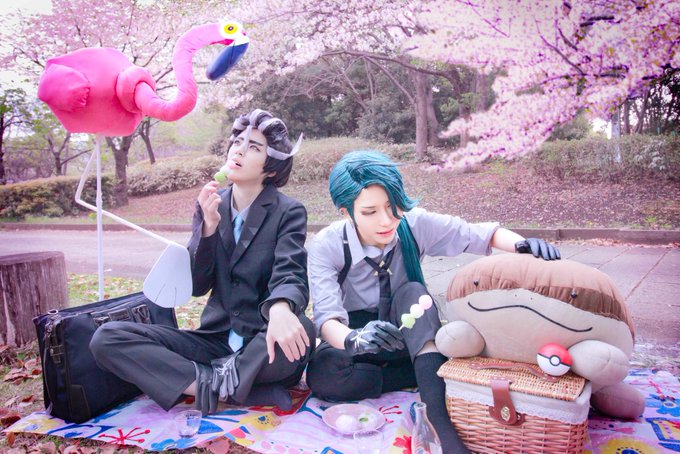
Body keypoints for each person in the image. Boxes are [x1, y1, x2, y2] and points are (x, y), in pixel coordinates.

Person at [305, 150, 560, 451]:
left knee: (414, 292)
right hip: (357, 335)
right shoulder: (328, 245)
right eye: (370, 212)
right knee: (323, 375)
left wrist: (522, 244)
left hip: (409, 329)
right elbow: (328, 319)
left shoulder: (413, 224)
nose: (386, 220)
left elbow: (477, 234)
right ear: (346, 213)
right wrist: (356, 339)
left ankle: (438, 419)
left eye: (392, 205)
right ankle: (426, 374)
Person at [91, 109, 315, 416]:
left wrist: (280, 308)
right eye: (237, 141)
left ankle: (223, 381)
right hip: (213, 342)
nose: (239, 150)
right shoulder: (211, 206)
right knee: (107, 338)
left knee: (303, 328)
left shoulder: (288, 211)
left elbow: (290, 270)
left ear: (272, 169)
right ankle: (218, 388)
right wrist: (208, 228)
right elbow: (197, 285)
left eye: (253, 147)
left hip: (263, 344)